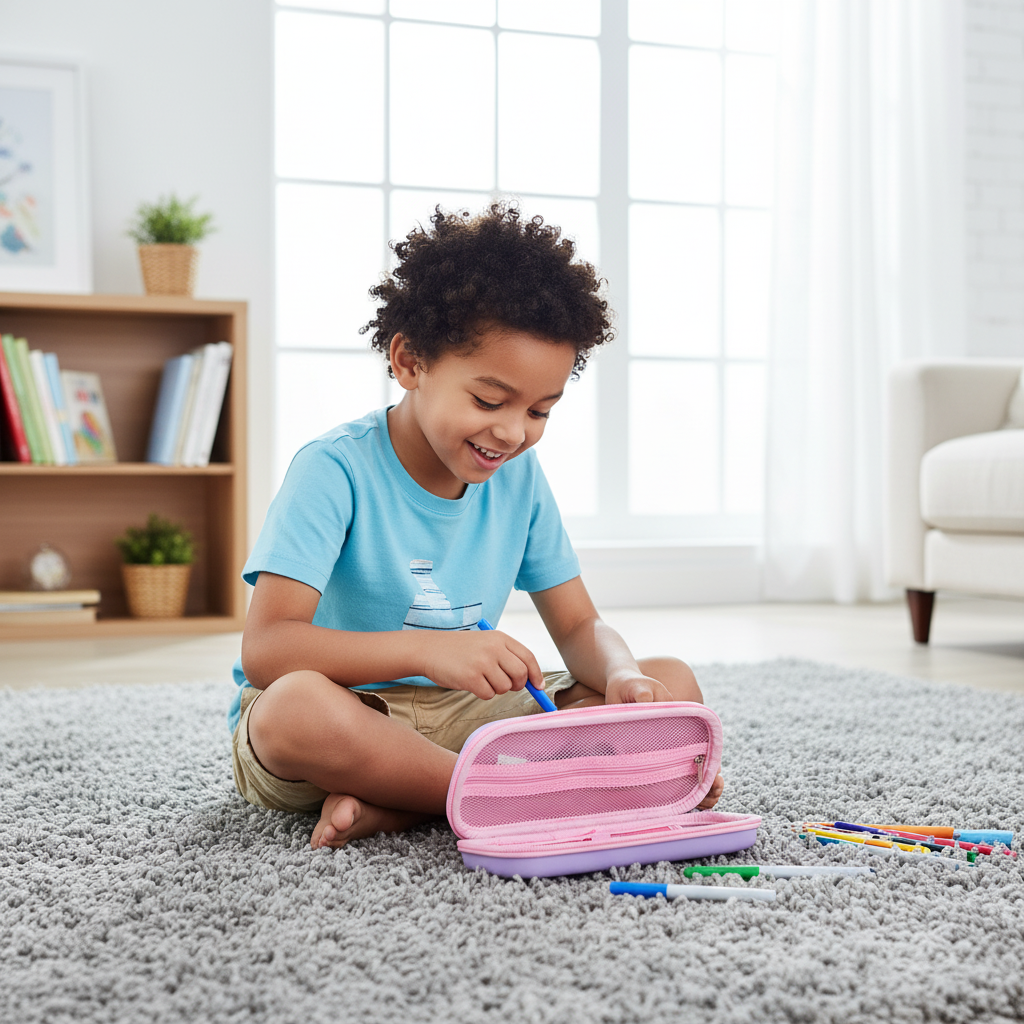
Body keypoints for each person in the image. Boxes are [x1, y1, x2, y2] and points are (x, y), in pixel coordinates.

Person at [229, 203, 725, 850]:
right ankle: (523, 794)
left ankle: (418, 801)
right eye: (489, 401)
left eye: (541, 410)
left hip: (475, 719)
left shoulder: (519, 477)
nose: (513, 432)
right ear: (409, 362)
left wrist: (624, 673)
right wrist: (427, 651)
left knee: (671, 680)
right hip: (352, 711)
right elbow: (266, 650)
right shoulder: (334, 469)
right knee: (294, 712)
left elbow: (577, 626)